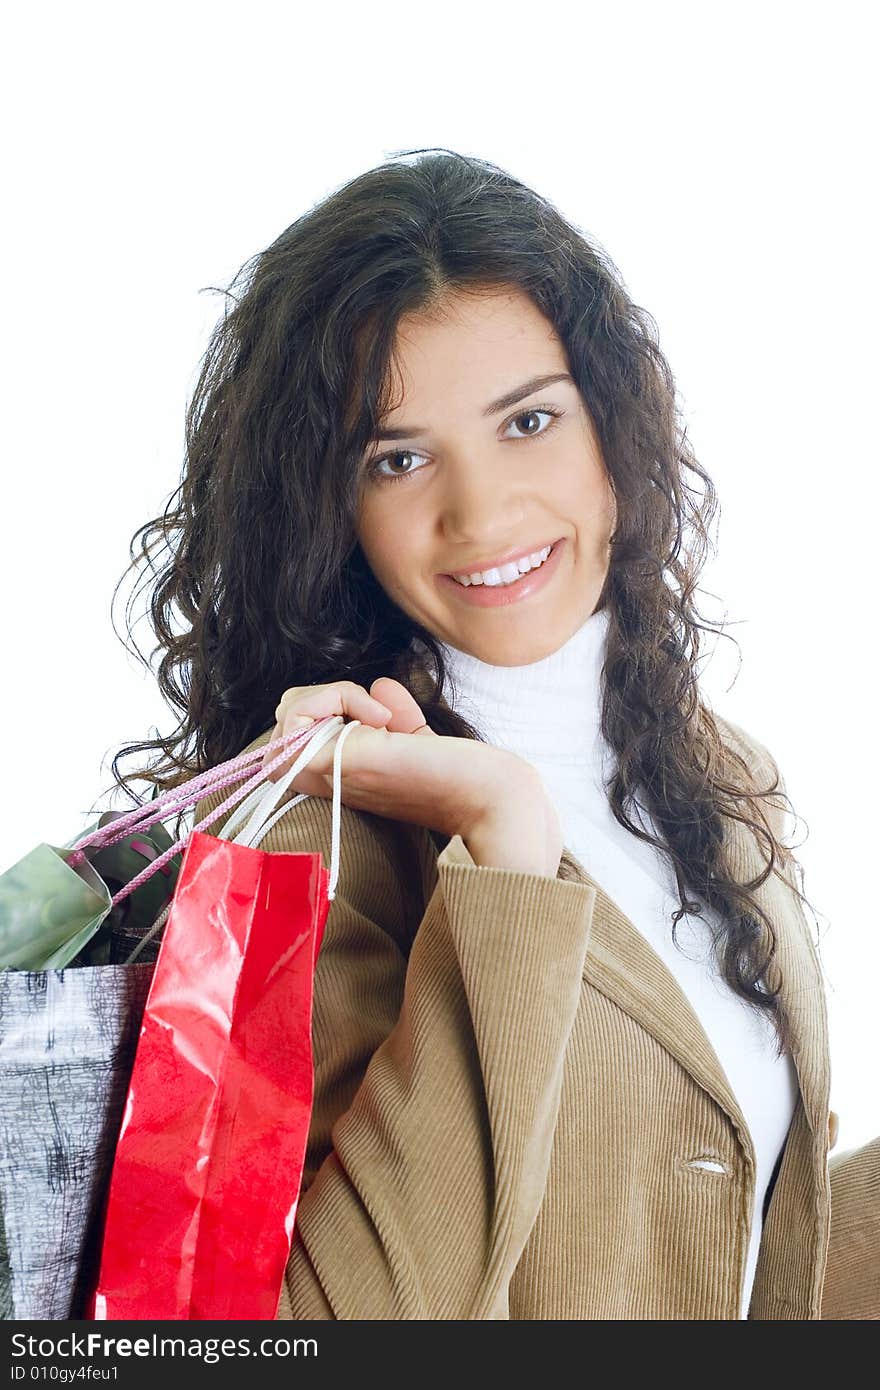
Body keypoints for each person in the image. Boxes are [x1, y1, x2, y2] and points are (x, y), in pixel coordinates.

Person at [113, 148, 876, 1319]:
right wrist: (501, 838)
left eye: (528, 420)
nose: (480, 511)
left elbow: (723, 1245)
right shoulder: (312, 844)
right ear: (330, 505)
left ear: (616, 420)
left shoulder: (719, 775)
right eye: (399, 457)